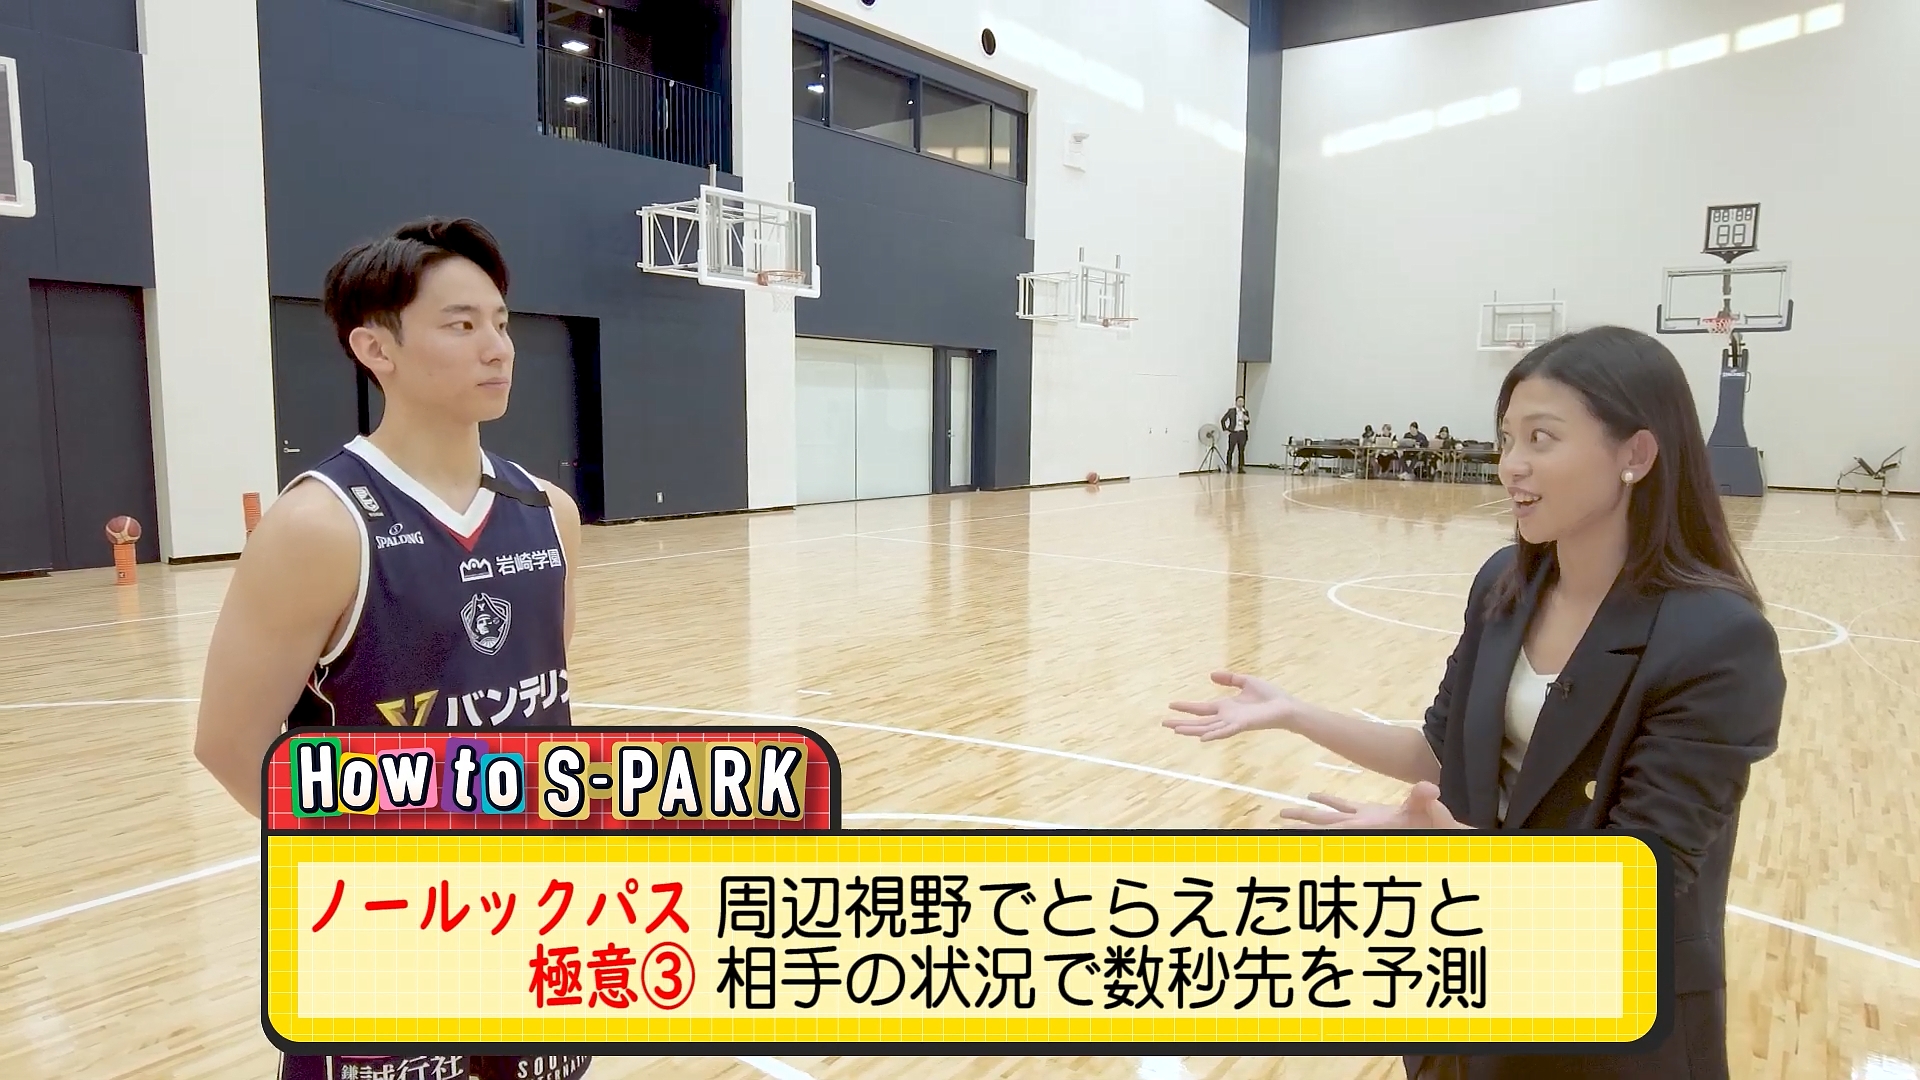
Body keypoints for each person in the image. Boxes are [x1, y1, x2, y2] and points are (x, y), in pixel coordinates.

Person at [1164, 326, 1786, 1079]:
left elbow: (1638, 884)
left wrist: (1452, 851)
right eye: (1506, 438)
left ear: (1637, 454)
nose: (1510, 464)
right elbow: (1439, 752)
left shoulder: (1718, 639)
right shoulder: (1505, 584)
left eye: (1541, 438)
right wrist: (1294, 712)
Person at [191, 218, 589, 1080]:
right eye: (460, 324)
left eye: (500, 323)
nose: (497, 347)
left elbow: (539, 704)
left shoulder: (548, 512)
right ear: (376, 349)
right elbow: (228, 745)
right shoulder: (319, 525)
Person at [1221, 395, 1252, 472]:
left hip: (1242, 433)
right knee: (1230, 450)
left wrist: (1247, 420)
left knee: (1241, 451)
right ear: (1236, 402)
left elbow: (1247, 422)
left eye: (1242, 401)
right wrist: (1226, 429)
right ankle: (1229, 466)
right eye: (1239, 401)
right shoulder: (1231, 411)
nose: (1241, 403)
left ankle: (1240, 467)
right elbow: (1223, 420)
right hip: (1234, 433)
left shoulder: (1245, 412)